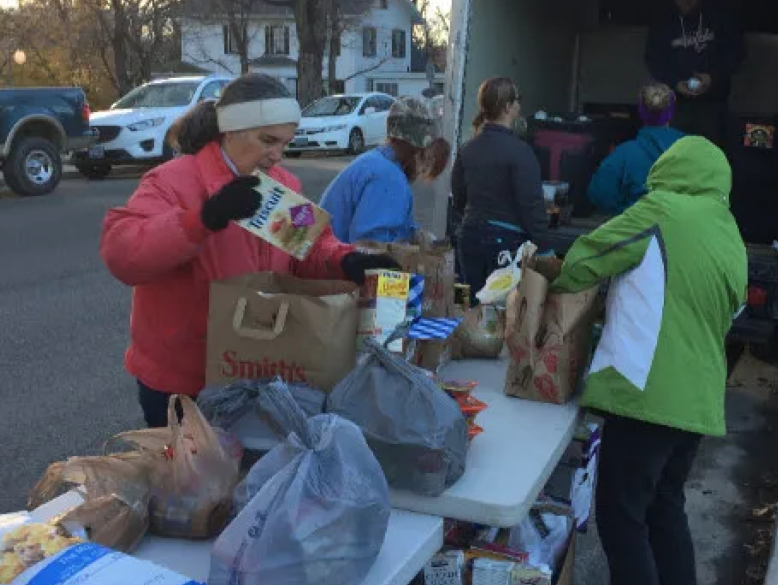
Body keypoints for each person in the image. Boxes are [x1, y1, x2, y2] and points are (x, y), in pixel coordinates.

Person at [100, 73, 397, 428]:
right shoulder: (172, 181)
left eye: (284, 143)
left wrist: (346, 260)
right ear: (231, 130)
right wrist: (203, 219)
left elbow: (309, 247)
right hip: (181, 381)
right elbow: (123, 254)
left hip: (253, 365)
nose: (277, 155)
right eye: (268, 141)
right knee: (190, 481)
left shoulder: (281, 185)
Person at [552, 137, 747, 585]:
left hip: (646, 396)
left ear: (668, 169)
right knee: (664, 513)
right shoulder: (727, 231)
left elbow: (582, 261)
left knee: (621, 523)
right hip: (698, 403)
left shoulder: (658, 210)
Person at [451, 77, 550, 296]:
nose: (519, 105)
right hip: (504, 243)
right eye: (518, 100)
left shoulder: (468, 149)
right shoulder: (520, 152)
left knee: (475, 308)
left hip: (469, 237)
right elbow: (531, 204)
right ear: (508, 107)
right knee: (502, 312)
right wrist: (545, 247)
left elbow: (459, 198)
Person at [319, 95, 451, 244]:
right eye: (427, 157)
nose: (423, 170)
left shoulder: (376, 162)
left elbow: (388, 222)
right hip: (336, 263)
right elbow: (370, 246)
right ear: (415, 147)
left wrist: (412, 233)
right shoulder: (388, 178)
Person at [644, 0, 745, 146]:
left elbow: (737, 52)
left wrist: (712, 76)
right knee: (675, 155)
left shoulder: (719, 19)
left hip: (713, 105)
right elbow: (654, 60)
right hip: (676, 105)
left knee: (710, 156)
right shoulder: (664, 25)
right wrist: (675, 83)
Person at [588, 83, 686, 214]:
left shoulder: (623, 154)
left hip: (639, 229)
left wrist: (626, 213)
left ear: (640, 111)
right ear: (672, 112)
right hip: (684, 229)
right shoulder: (694, 149)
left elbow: (600, 194)